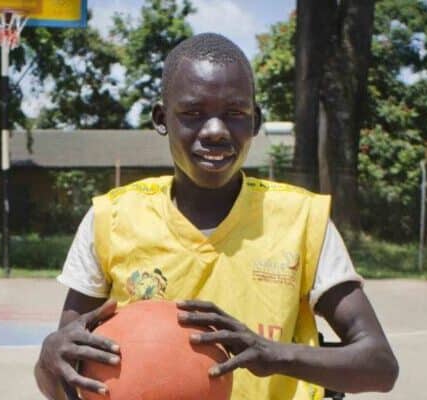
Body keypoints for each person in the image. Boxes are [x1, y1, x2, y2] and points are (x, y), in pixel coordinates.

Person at [32, 33, 398, 399]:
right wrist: (48, 359)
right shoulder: (112, 218)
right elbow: (63, 379)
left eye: (235, 114)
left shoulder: (301, 220)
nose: (215, 131)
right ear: (162, 118)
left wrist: (274, 355)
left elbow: (379, 365)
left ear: (255, 121)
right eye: (193, 114)